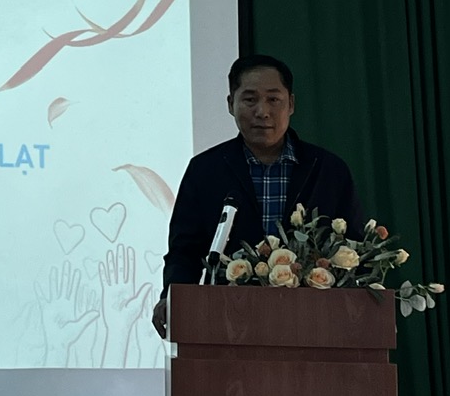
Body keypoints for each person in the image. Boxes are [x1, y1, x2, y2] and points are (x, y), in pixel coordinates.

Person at [150, 53, 364, 338]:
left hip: (314, 323)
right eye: (250, 99)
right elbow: (185, 251)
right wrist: (171, 296)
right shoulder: (205, 170)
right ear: (230, 104)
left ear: (291, 104)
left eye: (273, 99)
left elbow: (354, 248)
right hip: (228, 322)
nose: (262, 111)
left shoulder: (328, 170)